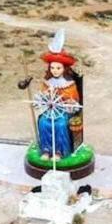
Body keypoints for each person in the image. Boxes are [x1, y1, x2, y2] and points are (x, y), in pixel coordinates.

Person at [37, 30, 81, 160]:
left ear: (64, 69)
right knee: (43, 122)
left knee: (60, 124)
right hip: (49, 112)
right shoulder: (47, 82)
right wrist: (46, 97)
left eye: (58, 68)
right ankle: (46, 150)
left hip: (63, 112)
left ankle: (60, 152)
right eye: (52, 68)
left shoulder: (69, 84)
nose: (55, 71)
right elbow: (42, 97)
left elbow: (74, 102)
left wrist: (67, 102)